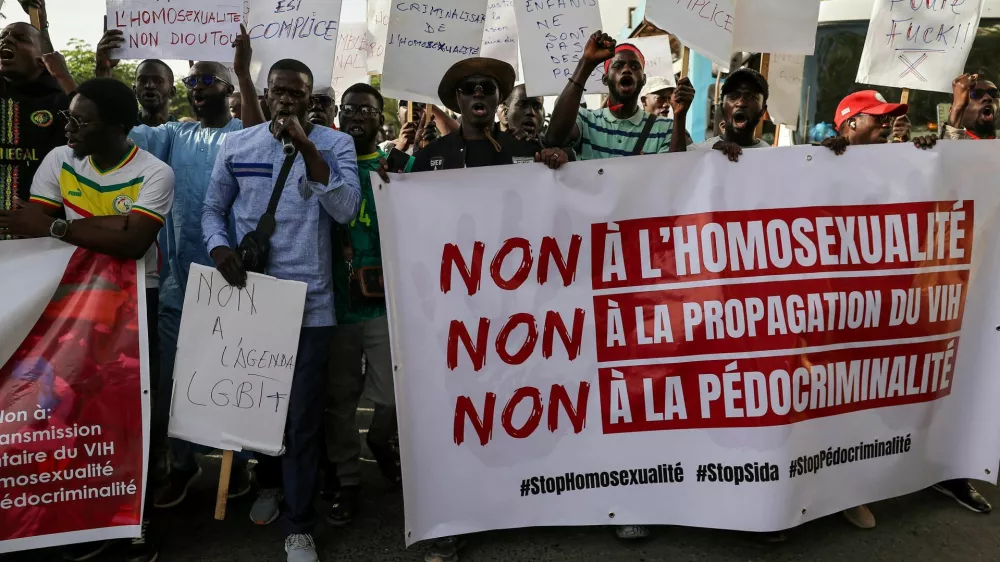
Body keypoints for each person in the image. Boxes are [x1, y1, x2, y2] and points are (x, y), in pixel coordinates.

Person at [0, 77, 174, 562]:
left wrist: (63, 225)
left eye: (81, 120)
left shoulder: (155, 172)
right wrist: (108, 228)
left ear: (118, 128)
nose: (68, 127)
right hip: (69, 303)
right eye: (68, 117)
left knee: (127, 413)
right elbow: (29, 231)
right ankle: (80, 516)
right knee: (73, 410)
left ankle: (134, 527)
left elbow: (135, 243)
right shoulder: (59, 159)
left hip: (136, 302)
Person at [95, 25, 261, 509]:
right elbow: (113, 129)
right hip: (177, 285)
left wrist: (245, 72)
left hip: (234, 282)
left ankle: (241, 465)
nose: (195, 88)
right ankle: (183, 466)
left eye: (206, 80)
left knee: (235, 379)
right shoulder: (173, 135)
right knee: (175, 384)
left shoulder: (241, 134)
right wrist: (104, 74)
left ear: (228, 89)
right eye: (190, 81)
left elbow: (255, 127)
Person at [202, 58, 360, 562]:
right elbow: (212, 209)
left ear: (312, 101)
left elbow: (346, 210)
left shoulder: (336, 145)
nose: (287, 100)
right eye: (279, 92)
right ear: (266, 94)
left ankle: (299, 526)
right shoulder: (238, 144)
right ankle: (269, 484)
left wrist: (309, 147)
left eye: (299, 94)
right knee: (252, 405)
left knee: (302, 418)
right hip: (251, 297)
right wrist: (217, 248)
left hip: (310, 304)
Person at [413, 57, 569, 562]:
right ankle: (453, 518)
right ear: (456, 101)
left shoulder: (526, 152)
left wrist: (556, 170)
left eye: (487, 88)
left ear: (498, 100)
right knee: (457, 411)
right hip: (455, 314)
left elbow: (555, 217)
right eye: (467, 89)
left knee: (517, 402)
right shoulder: (431, 157)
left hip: (516, 312)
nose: (477, 94)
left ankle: (518, 497)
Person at [324, 82, 411, 527]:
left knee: (395, 395)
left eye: (368, 109)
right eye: (351, 108)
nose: (359, 115)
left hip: (386, 305)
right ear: (339, 114)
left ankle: (382, 440)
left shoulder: (401, 166)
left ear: (382, 119)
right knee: (339, 400)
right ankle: (348, 480)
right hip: (335, 305)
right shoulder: (323, 164)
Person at [544, 31, 693, 159]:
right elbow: (554, 139)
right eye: (618, 66)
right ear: (605, 79)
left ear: (644, 80)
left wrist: (680, 116)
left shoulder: (665, 128)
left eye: (634, 66)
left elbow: (675, 176)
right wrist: (587, 63)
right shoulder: (586, 121)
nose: (627, 70)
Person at [0, 8, 73, 233]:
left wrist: (63, 77)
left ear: (42, 62)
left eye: (20, 38)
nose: (7, 39)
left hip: (42, 236)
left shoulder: (62, 103)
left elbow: (96, 130)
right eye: (3, 36)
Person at [688, 67, 770, 161]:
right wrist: (709, 158)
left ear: (763, 110)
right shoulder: (697, 152)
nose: (741, 103)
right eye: (733, 96)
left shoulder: (770, 157)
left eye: (751, 97)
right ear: (722, 106)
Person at [98, 58, 177, 127]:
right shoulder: (122, 131)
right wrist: (103, 70)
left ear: (172, 92)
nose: (149, 85)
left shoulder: (184, 134)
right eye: (143, 80)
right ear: (134, 91)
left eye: (158, 81)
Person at [942, 72, 997, 140]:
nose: (988, 97)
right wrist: (957, 110)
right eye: (976, 94)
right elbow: (950, 149)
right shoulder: (935, 146)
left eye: (993, 93)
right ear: (951, 110)